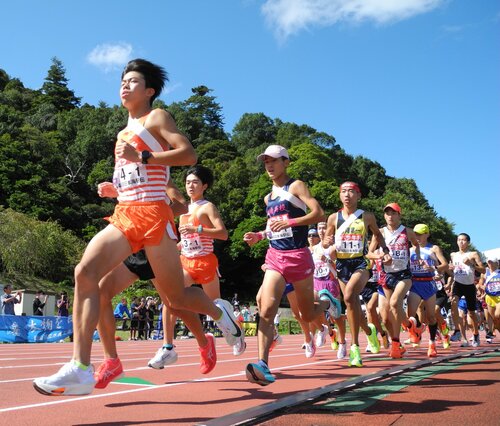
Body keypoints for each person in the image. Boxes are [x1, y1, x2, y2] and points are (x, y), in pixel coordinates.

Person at [33, 59, 243, 396]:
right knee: (86, 274)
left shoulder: (156, 117)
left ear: (149, 91)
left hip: (154, 218)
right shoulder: (121, 133)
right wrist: (114, 189)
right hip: (125, 213)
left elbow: (188, 154)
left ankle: (219, 314)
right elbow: (135, 177)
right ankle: (81, 367)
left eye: (133, 81)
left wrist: (142, 156)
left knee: (176, 298)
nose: (124, 86)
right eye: (122, 81)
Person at [243, 144, 339, 386]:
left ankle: (327, 303)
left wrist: (291, 223)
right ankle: (263, 364)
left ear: (286, 162)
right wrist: (259, 236)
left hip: (298, 257)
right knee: (266, 309)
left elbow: (318, 213)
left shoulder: (295, 186)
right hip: (275, 257)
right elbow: (273, 226)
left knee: (306, 314)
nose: (269, 165)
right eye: (265, 161)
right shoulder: (268, 197)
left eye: (274, 160)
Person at [154, 164, 245, 364]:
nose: (190, 186)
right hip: (185, 261)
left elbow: (223, 233)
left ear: (204, 185)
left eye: (195, 182)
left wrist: (199, 229)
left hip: (205, 262)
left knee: (216, 308)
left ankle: (237, 331)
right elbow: (186, 239)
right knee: (170, 298)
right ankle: (167, 346)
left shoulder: (207, 207)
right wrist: (175, 247)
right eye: (187, 182)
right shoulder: (183, 208)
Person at [323, 182, 386, 367]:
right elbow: (327, 241)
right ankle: (369, 331)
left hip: (361, 262)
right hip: (342, 264)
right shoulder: (333, 218)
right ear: (339, 196)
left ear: (358, 195)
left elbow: (377, 234)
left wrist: (385, 249)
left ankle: (355, 348)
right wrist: (326, 242)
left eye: (351, 191)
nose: (347, 195)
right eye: (343, 192)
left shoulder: (366, 216)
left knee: (350, 296)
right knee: (351, 304)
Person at [370, 203, 420, 359]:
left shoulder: (408, 232)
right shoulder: (380, 233)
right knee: (385, 318)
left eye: (393, 213)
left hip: (404, 275)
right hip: (385, 276)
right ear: (384, 216)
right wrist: (379, 256)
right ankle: (410, 326)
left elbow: (416, 245)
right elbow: (369, 253)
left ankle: (396, 344)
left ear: (399, 215)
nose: (390, 216)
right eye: (387, 213)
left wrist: (416, 258)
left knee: (394, 304)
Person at [409, 223, 449, 357]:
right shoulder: (410, 249)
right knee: (410, 315)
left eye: (420, 234)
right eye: (415, 234)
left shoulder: (434, 248)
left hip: (429, 284)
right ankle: (417, 330)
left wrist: (435, 270)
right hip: (415, 284)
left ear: (427, 234)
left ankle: (432, 343)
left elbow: (445, 264)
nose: (417, 237)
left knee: (432, 316)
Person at [449, 233, 485, 347]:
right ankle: (458, 332)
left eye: (464, 240)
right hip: (458, 284)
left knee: (471, 313)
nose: (461, 242)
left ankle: (475, 335)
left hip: (469, 286)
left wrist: (471, 264)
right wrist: (450, 272)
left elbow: (483, 270)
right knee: (454, 304)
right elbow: (452, 272)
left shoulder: (473, 254)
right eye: (459, 240)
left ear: (468, 242)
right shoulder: (453, 255)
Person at [478, 257, 500, 339]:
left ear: (497, 264)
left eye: (492, 262)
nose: (489, 264)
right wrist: (482, 286)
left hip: (499, 296)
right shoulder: (485, 273)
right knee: (495, 319)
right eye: (488, 262)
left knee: (498, 315)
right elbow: (480, 283)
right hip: (489, 297)